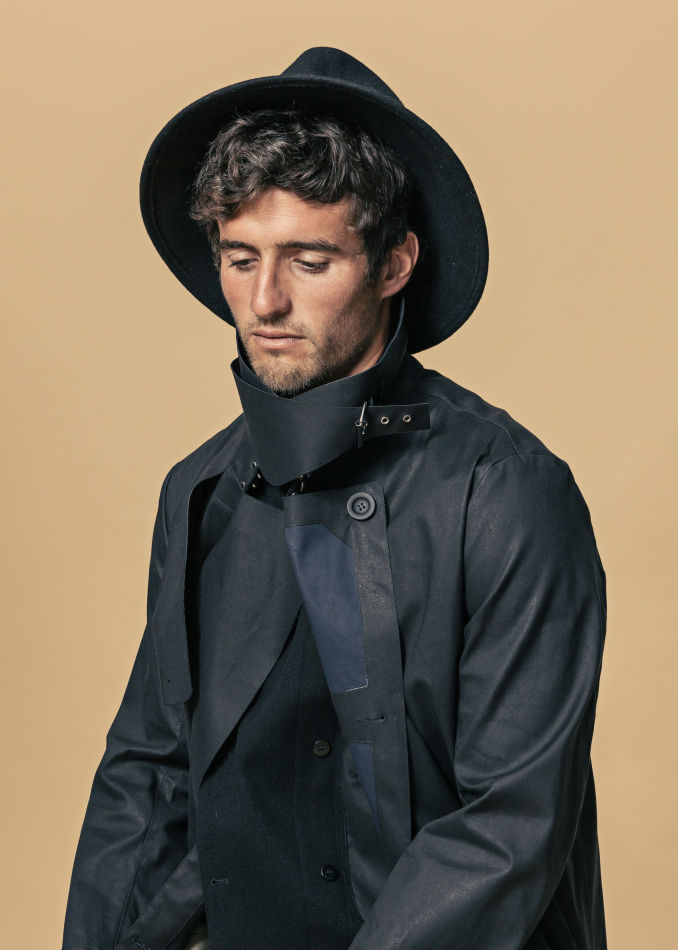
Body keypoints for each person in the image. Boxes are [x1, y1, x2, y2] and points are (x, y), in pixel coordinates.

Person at [62, 47, 607, 950]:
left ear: (393, 263)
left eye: (309, 261)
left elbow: (509, 825)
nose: (264, 301)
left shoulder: (506, 491)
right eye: (240, 258)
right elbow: (150, 773)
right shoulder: (199, 489)